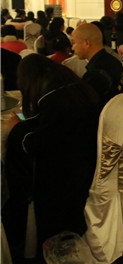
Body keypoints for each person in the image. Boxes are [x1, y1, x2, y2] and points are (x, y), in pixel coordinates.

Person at [3, 54, 100, 259]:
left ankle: (17, 219)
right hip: (88, 155)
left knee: (15, 147)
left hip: (68, 174)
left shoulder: (55, 100)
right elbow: (50, 125)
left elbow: (39, 143)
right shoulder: (72, 87)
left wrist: (17, 129)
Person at [71, 23, 123, 105]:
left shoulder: (95, 73)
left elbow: (85, 106)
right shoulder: (113, 61)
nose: (72, 48)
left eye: (74, 43)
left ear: (86, 43)